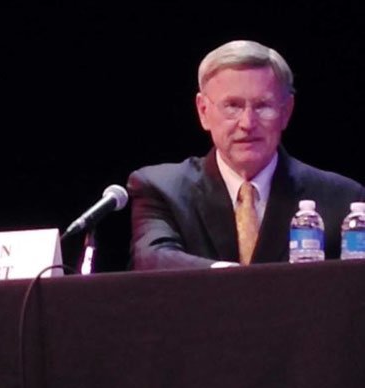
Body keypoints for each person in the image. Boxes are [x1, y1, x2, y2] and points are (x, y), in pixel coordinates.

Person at [127, 40, 365, 270]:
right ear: (203, 111)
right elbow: (153, 259)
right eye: (233, 105)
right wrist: (233, 278)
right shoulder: (162, 189)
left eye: (263, 105)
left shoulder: (343, 200)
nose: (247, 123)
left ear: (286, 112)